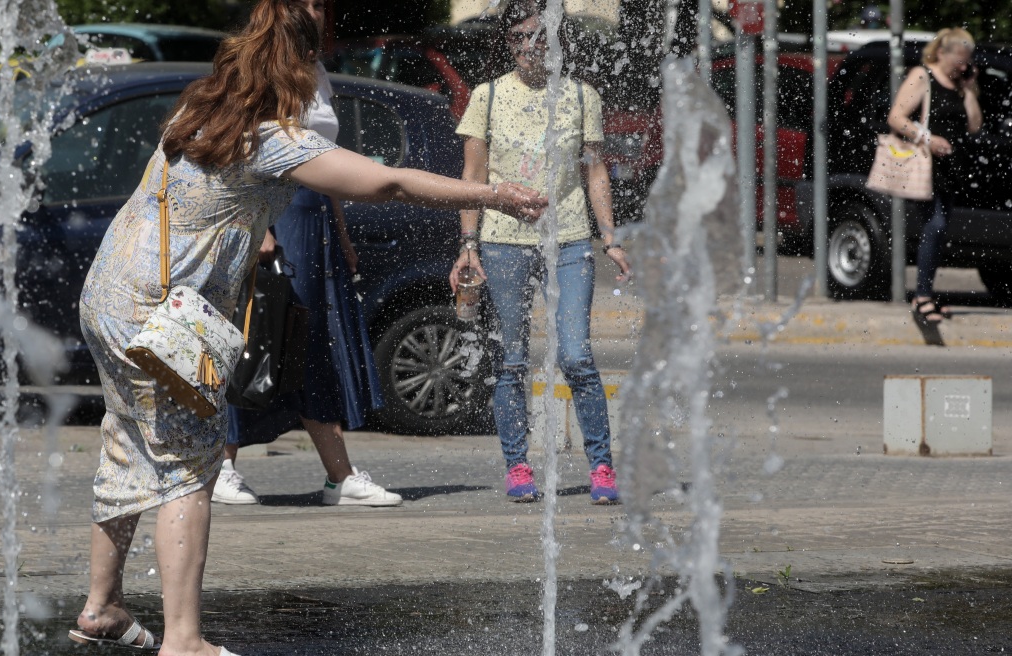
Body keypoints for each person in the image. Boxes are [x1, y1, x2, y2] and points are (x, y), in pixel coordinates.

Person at [69, 1, 547, 654]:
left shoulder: (198, 109)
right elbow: (386, 182)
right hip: (164, 314)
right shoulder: (272, 139)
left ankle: (102, 606)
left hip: (109, 294)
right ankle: (184, 641)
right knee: (189, 464)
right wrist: (492, 195)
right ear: (293, 70)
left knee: (129, 439)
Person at [213, 0, 400, 509]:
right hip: (276, 212)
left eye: (321, 4)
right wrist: (259, 229)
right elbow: (239, 151)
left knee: (311, 342)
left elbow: (327, 161)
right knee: (256, 333)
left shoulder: (315, 71)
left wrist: (339, 231)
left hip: (314, 217)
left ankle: (339, 477)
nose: (316, 13)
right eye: (306, 3)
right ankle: (222, 466)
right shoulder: (255, 68)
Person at [448, 0, 629, 505]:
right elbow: (473, 180)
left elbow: (595, 172)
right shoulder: (486, 97)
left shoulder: (580, 96)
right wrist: (468, 245)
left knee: (576, 356)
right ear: (506, 44)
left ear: (556, 40)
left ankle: (601, 468)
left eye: (537, 37)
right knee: (510, 360)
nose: (529, 48)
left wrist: (610, 237)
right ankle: (518, 464)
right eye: (518, 39)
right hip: (503, 243)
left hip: (569, 241)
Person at [887, 28, 982, 327]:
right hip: (925, 167)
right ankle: (922, 296)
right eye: (960, 60)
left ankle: (927, 293)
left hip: (950, 170)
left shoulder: (958, 86)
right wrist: (928, 138)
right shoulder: (922, 76)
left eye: (967, 62)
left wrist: (969, 88)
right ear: (942, 52)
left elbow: (974, 126)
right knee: (935, 224)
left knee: (940, 232)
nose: (963, 67)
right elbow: (896, 118)